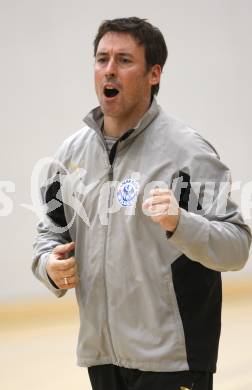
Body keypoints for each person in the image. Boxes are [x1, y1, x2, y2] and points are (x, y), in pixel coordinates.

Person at [32, 17, 251, 390]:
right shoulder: (69, 156)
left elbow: (236, 246)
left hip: (173, 360)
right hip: (102, 357)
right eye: (102, 59)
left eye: (124, 60)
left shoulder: (188, 153)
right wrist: (48, 266)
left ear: (154, 73)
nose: (109, 71)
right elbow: (49, 234)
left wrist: (180, 223)